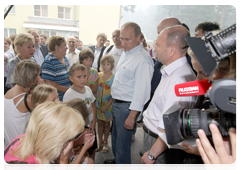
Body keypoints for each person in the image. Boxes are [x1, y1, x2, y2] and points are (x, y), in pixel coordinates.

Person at [141, 25, 198, 170]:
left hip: (160, 147)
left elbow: (171, 126)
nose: (155, 48)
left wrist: (152, 154)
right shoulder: (175, 72)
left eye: (158, 45)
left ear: (172, 50)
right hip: (155, 140)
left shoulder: (179, 79)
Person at [104, 22, 154, 170]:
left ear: (139, 38)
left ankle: (123, 166)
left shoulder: (143, 60)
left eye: (128, 39)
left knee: (123, 145)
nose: (123, 42)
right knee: (116, 139)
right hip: (118, 104)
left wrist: (132, 116)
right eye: (121, 38)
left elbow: (142, 92)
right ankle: (117, 161)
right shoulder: (128, 52)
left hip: (127, 108)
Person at [4, 102, 85, 170]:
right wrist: (63, 163)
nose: (71, 143)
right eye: (70, 139)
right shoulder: (32, 167)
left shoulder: (22, 139)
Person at [63, 63, 97, 160]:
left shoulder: (88, 89)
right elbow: (68, 118)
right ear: (71, 79)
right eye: (79, 77)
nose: (83, 79)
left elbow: (93, 106)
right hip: (79, 130)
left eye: (85, 76)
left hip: (91, 126)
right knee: (82, 152)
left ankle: (92, 165)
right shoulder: (69, 95)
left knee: (92, 148)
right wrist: (82, 129)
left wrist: (94, 122)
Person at [4, 60, 41, 148]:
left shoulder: (8, 93)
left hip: (10, 145)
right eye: (37, 75)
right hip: (23, 146)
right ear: (30, 77)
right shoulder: (27, 99)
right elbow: (45, 115)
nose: (39, 78)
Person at [65, 98, 96, 170]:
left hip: (67, 159)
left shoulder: (67, 128)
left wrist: (78, 141)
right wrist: (84, 149)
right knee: (88, 160)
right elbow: (70, 168)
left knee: (89, 162)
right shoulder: (63, 134)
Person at [41, 35, 72, 101]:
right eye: (64, 45)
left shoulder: (65, 58)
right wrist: (68, 90)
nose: (67, 48)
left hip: (67, 97)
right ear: (57, 47)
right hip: (57, 99)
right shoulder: (49, 61)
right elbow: (48, 83)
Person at [95, 54, 115, 153]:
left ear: (112, 65)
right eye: (103, 64)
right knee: (99, 124)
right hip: (98, 105)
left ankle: (106, 141)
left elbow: (115, 95)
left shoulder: (114, 78)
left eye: (108, 64)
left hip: (108, 106)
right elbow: (92, 88)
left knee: (107, 125)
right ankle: (100, 141)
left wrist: (107, 106)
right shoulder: (97, 75)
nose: (105, 66)